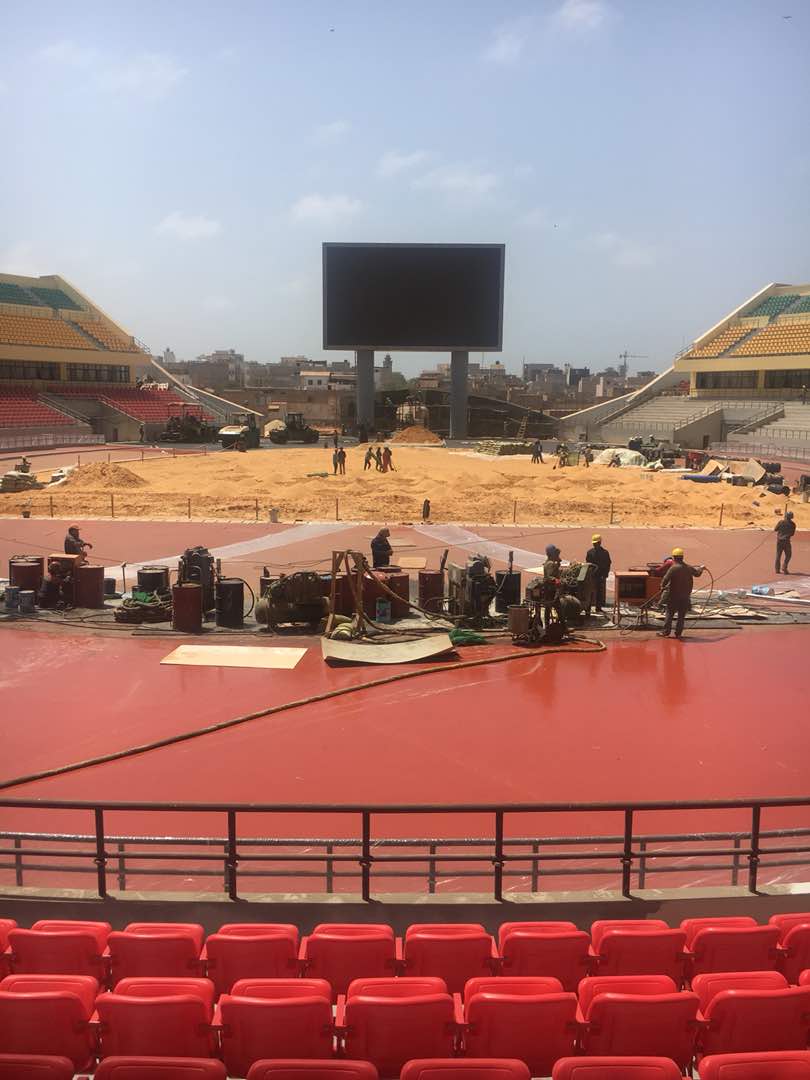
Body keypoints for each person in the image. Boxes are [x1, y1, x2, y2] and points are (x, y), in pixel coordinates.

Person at [657, 547, 704, 639]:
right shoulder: (688, 567)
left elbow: (665, 579)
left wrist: (662, 587)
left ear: (674, 557)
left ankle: (665, 632)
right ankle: (678, 633)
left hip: (673, 596)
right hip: (685, 597)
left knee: (669, 614)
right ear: (682, 557)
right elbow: (697, 574)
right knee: (681, 616)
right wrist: (701, 568)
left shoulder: (673, 568)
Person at [541, 544, 566, 630]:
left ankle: (548, 627)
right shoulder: (550, 564)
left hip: (550, 590)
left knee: (551, 609)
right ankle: (562, 627)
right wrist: (556, 580)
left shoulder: (551, 562)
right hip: (550, 590)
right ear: (551, 554)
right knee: (556, 608)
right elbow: (549, 576)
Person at [585, 533, 611, 612]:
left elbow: (608, 564)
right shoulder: (590, 552)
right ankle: (588, 608)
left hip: (600, 576)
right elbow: (587, 564)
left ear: (599, 543)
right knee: (590, 592)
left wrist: (605, 574)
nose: (595, 545)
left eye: (596, 543)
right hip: (592, 576)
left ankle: (598, 608)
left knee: (599, 592)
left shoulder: (605, 553)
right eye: (594, 543)